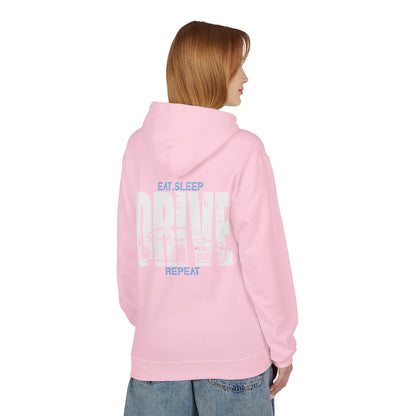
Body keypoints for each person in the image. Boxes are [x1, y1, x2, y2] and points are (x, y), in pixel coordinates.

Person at [117, 20, 298, 416]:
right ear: (212, 71)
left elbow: (129, 255)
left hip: (156, 354)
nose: (245, 77)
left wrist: (157, 324)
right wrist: (282, 344)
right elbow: (264, 260)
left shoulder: (138, 147)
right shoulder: (244, 151)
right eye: (236, 66)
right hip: (234, 356)